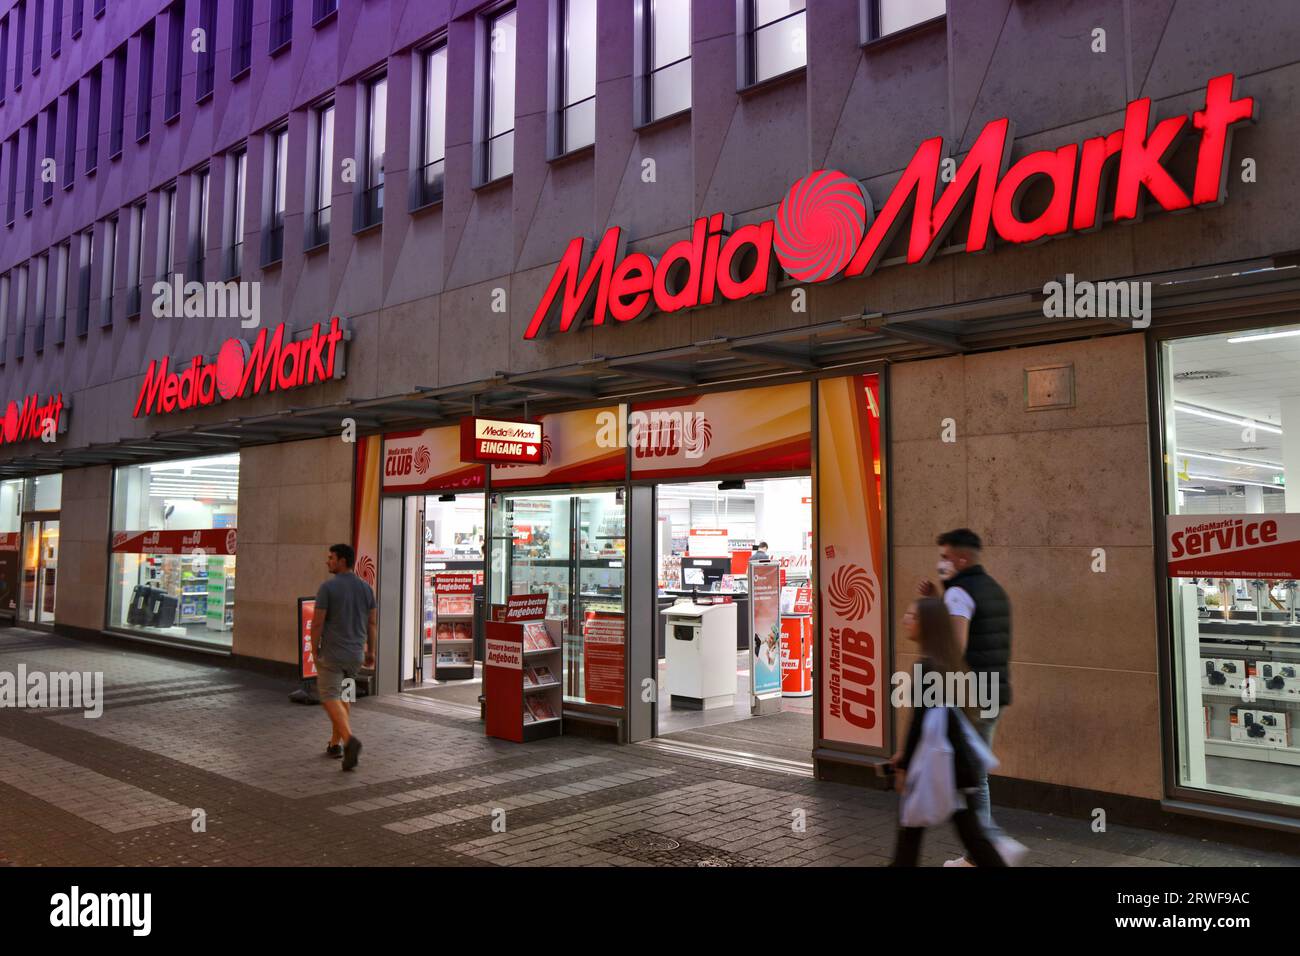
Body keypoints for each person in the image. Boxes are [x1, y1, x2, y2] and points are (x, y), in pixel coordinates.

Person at [916, 528, 1023, 866]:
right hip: (994, 689)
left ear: (962, 559)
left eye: (945, 557)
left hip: (972, 695)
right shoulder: (993, 589)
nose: (941, 563)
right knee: (971, 773)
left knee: (971, 776)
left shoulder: (959, 593)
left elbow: (955, 648)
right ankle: (981, 848)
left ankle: (981, 853)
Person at [890, 598, 1004, 867]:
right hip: (953, 768)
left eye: (912, 616)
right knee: (971, 837)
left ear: (927, 625)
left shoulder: (927, 667)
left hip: (940, 768)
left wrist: (905, 764)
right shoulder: (947, 662)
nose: (906, 619)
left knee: (915, 832)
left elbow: (919, 722)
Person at [313, 543, 376, 772]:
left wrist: (313, 648)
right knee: (345, 696)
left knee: (329, 696)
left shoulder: (328, 587)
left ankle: (349, 740)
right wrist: (371, 651)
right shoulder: (367, 588)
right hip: (355, 658)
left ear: (341, 561)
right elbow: (372, 623)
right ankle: (335, 744)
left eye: (331, 557)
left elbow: (318, 622)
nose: (327, 561)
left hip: (333, 656)